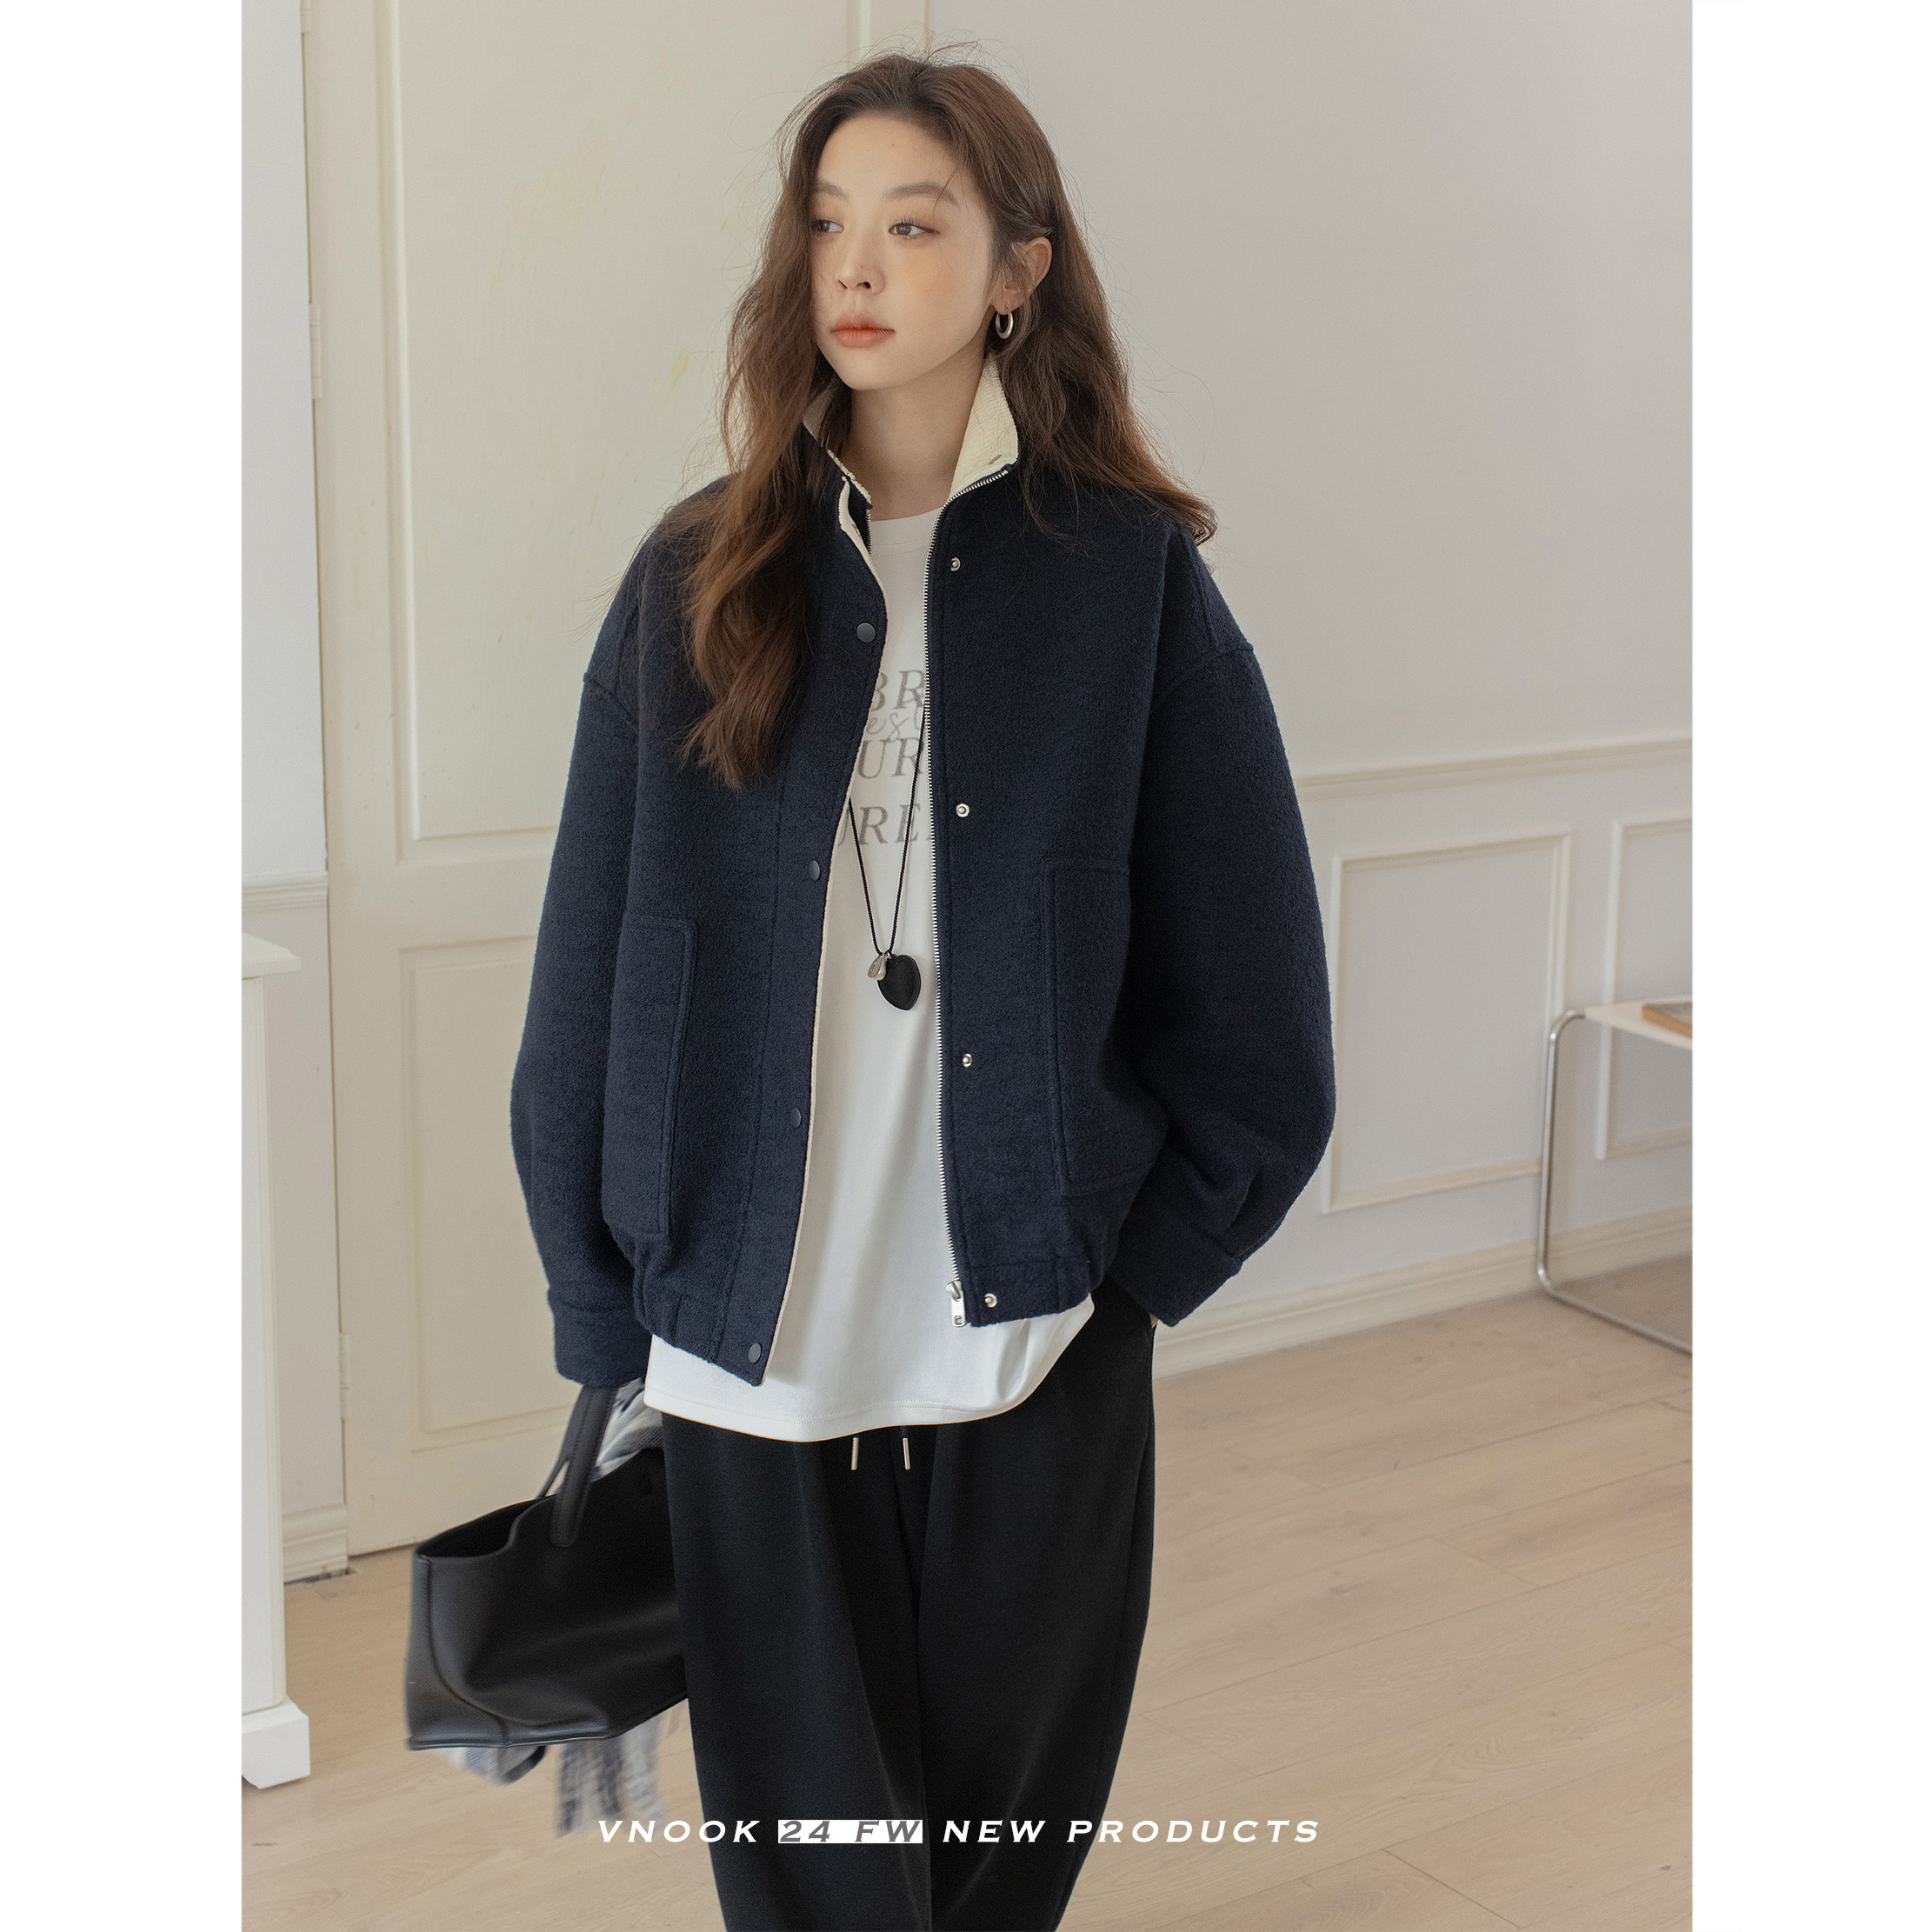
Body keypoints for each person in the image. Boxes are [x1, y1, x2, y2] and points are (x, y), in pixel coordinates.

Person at [510, 47, 1336, 1932]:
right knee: (808, 1874)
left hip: (1030, 1335)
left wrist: (1130, 1295)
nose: (857, 266)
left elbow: (1254, 996)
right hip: (745, 1336)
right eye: (826, 225)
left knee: (996, 1856)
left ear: (1019, 267)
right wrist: (600, 1308)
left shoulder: (1124, 582)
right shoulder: (696, 577)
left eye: (913, 223)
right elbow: (588, 971)